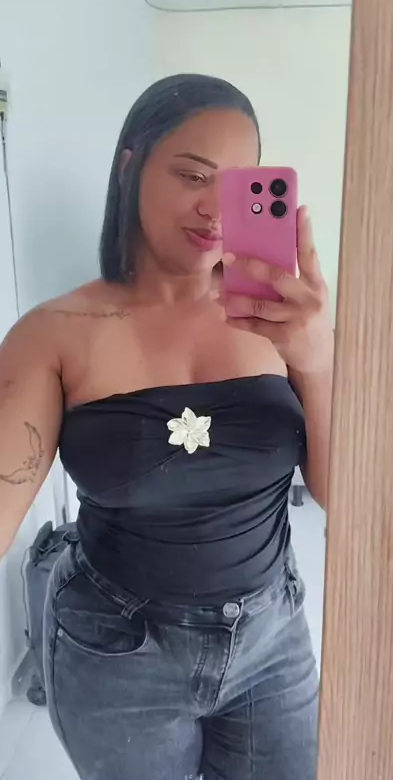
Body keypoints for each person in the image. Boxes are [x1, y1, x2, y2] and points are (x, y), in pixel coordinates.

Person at [0, 74, 334, 780]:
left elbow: (340, 491)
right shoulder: (54, 335)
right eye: (192, 175)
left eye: (237, 186)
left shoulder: (284, 319)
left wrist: (318, 359)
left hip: (271, 639)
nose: (215, 209)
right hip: (117, 652)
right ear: (131, 165)